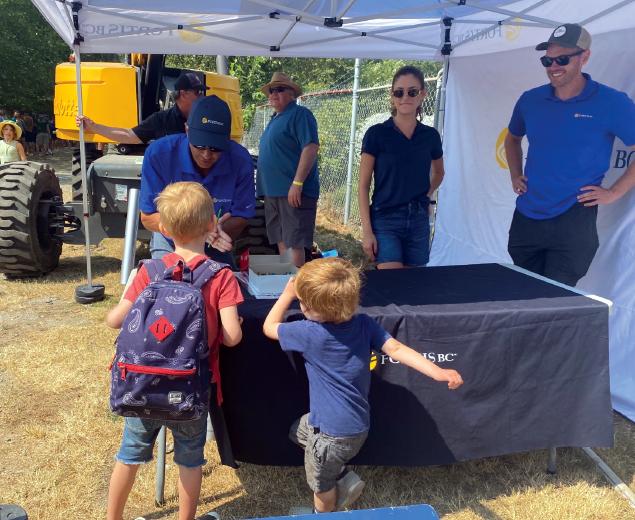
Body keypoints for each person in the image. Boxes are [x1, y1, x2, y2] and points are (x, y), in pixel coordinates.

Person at [263, 258, 464, 513]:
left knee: (320, 483)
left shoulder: (308, 333)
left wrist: (286, 295)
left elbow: (268, 327)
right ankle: (343, 475)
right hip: (355, 425)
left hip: (329, 435)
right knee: (299, 431)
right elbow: (396, 348)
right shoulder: (364, 323)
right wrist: (437, 371)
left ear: (309, 308)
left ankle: (324, 514)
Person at [105, 181, 244, 520]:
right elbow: (232, 337)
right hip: (190, 388)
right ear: (213, 224)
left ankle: (113, 517)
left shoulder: (148, 271)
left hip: (142, 386)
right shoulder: (221, 276)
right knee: (190, 458)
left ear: (164, 229)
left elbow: (114, 321)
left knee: (129, 453)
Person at [505, 23, 635, 286]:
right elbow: (512, 139)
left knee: (556, 303)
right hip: (527, 216)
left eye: (562, 59)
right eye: (547, 60)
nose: (553, 66)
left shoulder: (612, 102)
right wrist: (515, 174)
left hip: (574, 218)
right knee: (522, 293)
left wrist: (614, 192)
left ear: (584, 57)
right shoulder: (530, 100)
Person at [140, 95, 255, 263]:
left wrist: (214, 231)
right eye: (199, 146)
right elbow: (148, 217)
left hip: (215, 240)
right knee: (168, 285)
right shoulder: (159, 154)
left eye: (216, 148)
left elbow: (242, 215)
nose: (207, 155)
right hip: (170, 241)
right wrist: (197, 230)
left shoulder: (240, 160)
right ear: (187, 130)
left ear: (228, 138)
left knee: (223, 284)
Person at [358, 66, 445, 269]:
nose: (405, 97)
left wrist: (428, 196)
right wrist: (367, 232)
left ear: (423, 94)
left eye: (412, 91)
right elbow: (363, 186)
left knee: (415, 287)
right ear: (392, 96)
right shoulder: (376, 134)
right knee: (393, 283)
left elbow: (440, 173)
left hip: (418, 219)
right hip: (385, 218)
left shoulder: (430, 136)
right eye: (399, 92)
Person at [257, 72, 320, 267]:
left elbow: (310, 147)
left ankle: (297, 291)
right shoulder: (276, 118)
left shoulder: (300, 114)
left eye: (279, 89)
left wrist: (297, 183)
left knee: (295, 243)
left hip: (293, 192)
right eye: (271, 90)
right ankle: (286, 286)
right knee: (281, 240)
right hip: (273, 192)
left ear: (292, 93)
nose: (273, 94)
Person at [76, 71, 208, 144]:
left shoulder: (206, 118)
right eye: (198, 92)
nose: (202, 96)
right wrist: (94, 127)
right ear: (183, 94)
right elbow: (128, 135)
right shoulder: (160, 120)